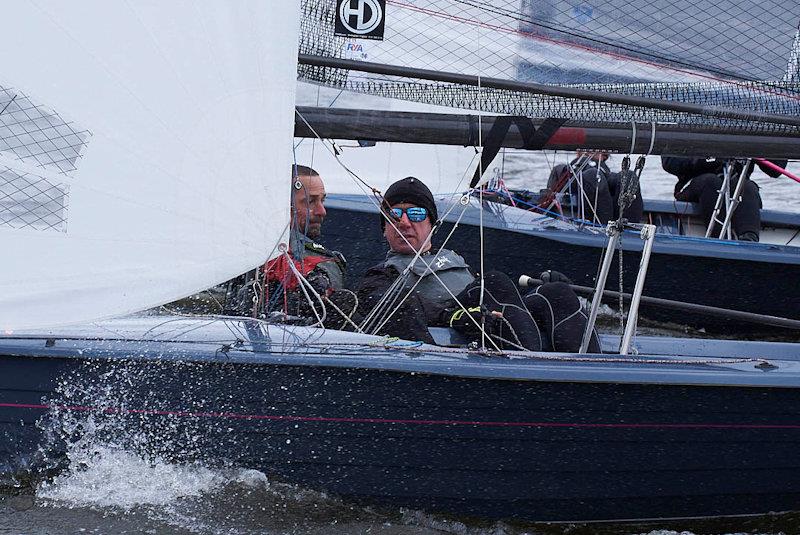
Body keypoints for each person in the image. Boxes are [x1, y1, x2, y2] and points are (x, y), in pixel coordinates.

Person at [356, 176, 601, 352]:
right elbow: (393, 306)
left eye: (417, 214)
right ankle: (531, 376)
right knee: (495, 281)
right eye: (395, 215)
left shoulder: (454, 259)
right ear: (384, 228)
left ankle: (595, 379)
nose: (405, 223)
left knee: (554, 292)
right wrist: (450, 316)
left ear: (432, 224)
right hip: (457, 320)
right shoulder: (381, 274)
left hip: (487, 314)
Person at [224, 165, 352, 323]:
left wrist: (315, 281)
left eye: (322, 200)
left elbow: (324, 281)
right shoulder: (241, 249)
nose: (322, 211)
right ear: (282, 205)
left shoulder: (324, 260)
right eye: (310, 201)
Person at [661, 157, 786, 242]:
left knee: (747, 187)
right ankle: (721, 242)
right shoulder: (690, 121)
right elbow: (670, 162)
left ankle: (749, 242)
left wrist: (757, 146)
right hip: (696, 186)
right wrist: (711, 158)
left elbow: (776, 170)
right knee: (711, 182)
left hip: (738, 187)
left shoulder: (749, 126)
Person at [546, 151, 643, 224]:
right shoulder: (564, 170)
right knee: (594, 176)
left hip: (601, 179)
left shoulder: (605, 171)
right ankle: (605, 229)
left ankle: (629, 229)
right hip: (580, 179)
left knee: (629, 177)